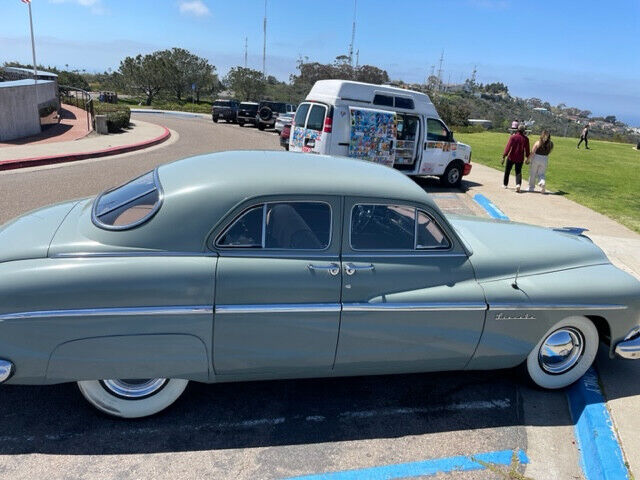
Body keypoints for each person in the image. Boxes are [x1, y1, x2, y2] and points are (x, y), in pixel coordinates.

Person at [501, 123, 530, 192]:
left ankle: (505, 184)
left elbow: (508, 147)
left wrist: (504, 156)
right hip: (520, 158)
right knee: (518, 172)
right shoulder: (526, 139)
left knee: (507, 171)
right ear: (524, 131)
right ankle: (518, 184)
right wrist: (527, 157)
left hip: (511, 157)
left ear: (517, 130)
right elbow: (527, 149)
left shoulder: (513, 137)